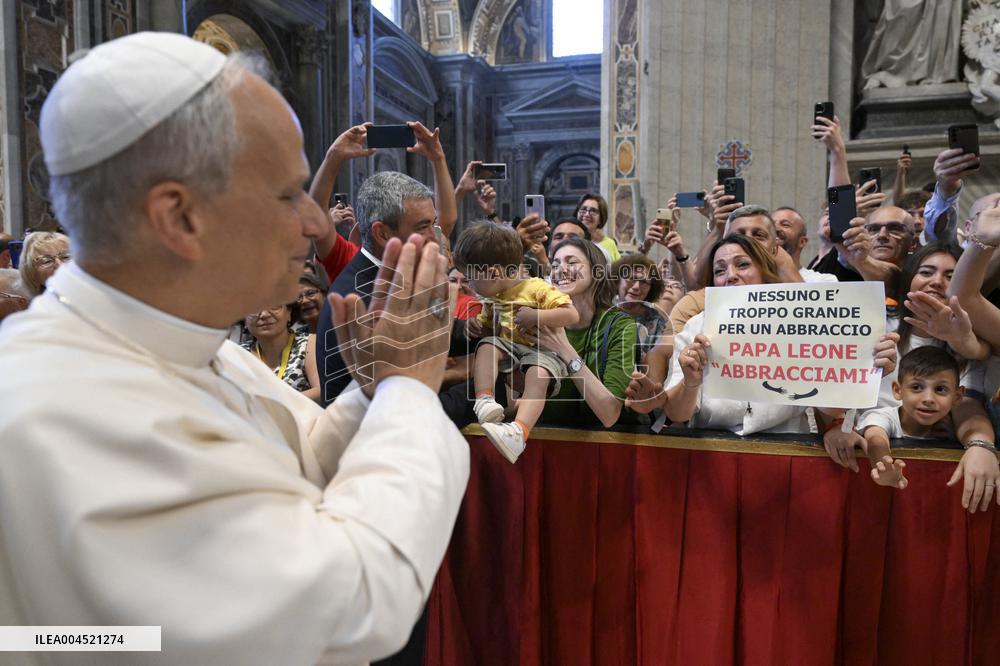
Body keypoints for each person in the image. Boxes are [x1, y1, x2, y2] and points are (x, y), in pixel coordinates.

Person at [0, 32, 469, 665]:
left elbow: (300, 456)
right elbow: (344, 604)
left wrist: (375, 388)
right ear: (180, 217)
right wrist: (411, 389)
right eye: (287, 194)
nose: (314, 222)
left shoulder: (190, 339)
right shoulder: (69, 402)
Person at [658, 234, 897, 433]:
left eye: (742, 265)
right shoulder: (696, 328)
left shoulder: (805, 324)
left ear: (764, 272)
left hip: (788, 452)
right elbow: (676, 413)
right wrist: (691, 383)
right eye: (720, 270)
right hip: (714, 456)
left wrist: (868, 368)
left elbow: (830, 408)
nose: (730, 275)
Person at [457, 221, 579, 462]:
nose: (470, 286)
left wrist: (536, 315)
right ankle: (484, 400)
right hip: (512, 351)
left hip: (543, 351)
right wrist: (477, 327)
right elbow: (487, 326)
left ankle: (519, 431)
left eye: (471, 278)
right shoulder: (493, 297)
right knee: (487, 346)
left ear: (492, 273)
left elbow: (571, 314)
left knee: (538, 373)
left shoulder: (536, 287)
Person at [848, 347, 999, 512]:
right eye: (916, 387)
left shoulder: (956, 428)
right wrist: (883, 466)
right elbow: (876, 438)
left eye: (940, 389)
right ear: (897, 390)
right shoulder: (884, 416)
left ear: (957, 396)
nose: (928, 399)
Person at [533, 237, 638, 428]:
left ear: (596, 272)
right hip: (547, 438)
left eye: (572, 262)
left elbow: (609, 413)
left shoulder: (619, 325)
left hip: (603, 446)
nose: (560, 270)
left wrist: (563, 348)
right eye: (555, 265)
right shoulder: (542, 321)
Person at [611, 253, 672, 386]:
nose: (636, 286)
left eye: (644, 282)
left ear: (651, 289)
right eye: (631, 279)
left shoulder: (657, 321)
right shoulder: (604, 313)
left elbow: (657, 364)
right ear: (618, 281)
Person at [242, 301, 320, 402]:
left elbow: (321, 391)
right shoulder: (238, 353)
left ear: (289, 313)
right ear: (244, 320)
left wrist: (274, 405)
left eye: (274, 306)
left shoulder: (309, 343)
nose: (264, 314)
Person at [772, 206, 837, 283]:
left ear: (802, 242)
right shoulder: (755, 279)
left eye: (785, 224)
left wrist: (784, 264)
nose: (775, 229)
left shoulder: (822, 281)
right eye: (772, 225)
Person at [18, 231, 71, 297]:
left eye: (66, 257)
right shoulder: (37, 306)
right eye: (47, 261)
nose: (60, 265)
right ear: (32, 275)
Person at [574, 192, 620, 262]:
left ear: (600, 219)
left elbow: (618, 270)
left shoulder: (610, 244)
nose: (587, 214)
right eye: (583, 209)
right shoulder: (568, 240)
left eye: (593, 211)